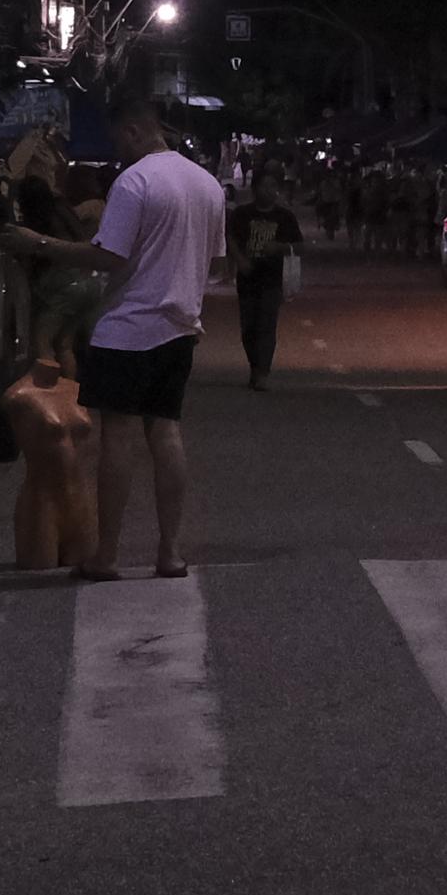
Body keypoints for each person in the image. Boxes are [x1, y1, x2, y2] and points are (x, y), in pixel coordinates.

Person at [79, 95, 227, 578]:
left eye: (120, 139)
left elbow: (111, 257)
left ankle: (107, 555)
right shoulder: (207, 185)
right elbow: (215, 259)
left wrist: (43, 246)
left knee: (117, 436)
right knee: (166, 431)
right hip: (181, 325)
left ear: (135, 131)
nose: (118, 150)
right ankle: (170, 552)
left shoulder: (135, 181)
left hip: (127, 327)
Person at [226, 169, 307, 389]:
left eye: (273, 187)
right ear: (255, 189)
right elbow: (230, 237)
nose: (269, 191)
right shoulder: (243, 214)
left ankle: (263, 372)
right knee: (249, 327)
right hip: (248, 277)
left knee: (267, 325)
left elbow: (300, 246)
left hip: (272, 279)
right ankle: (254, 366)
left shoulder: (284, 217)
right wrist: (239, 260)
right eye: (264, 186)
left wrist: (280, 247)